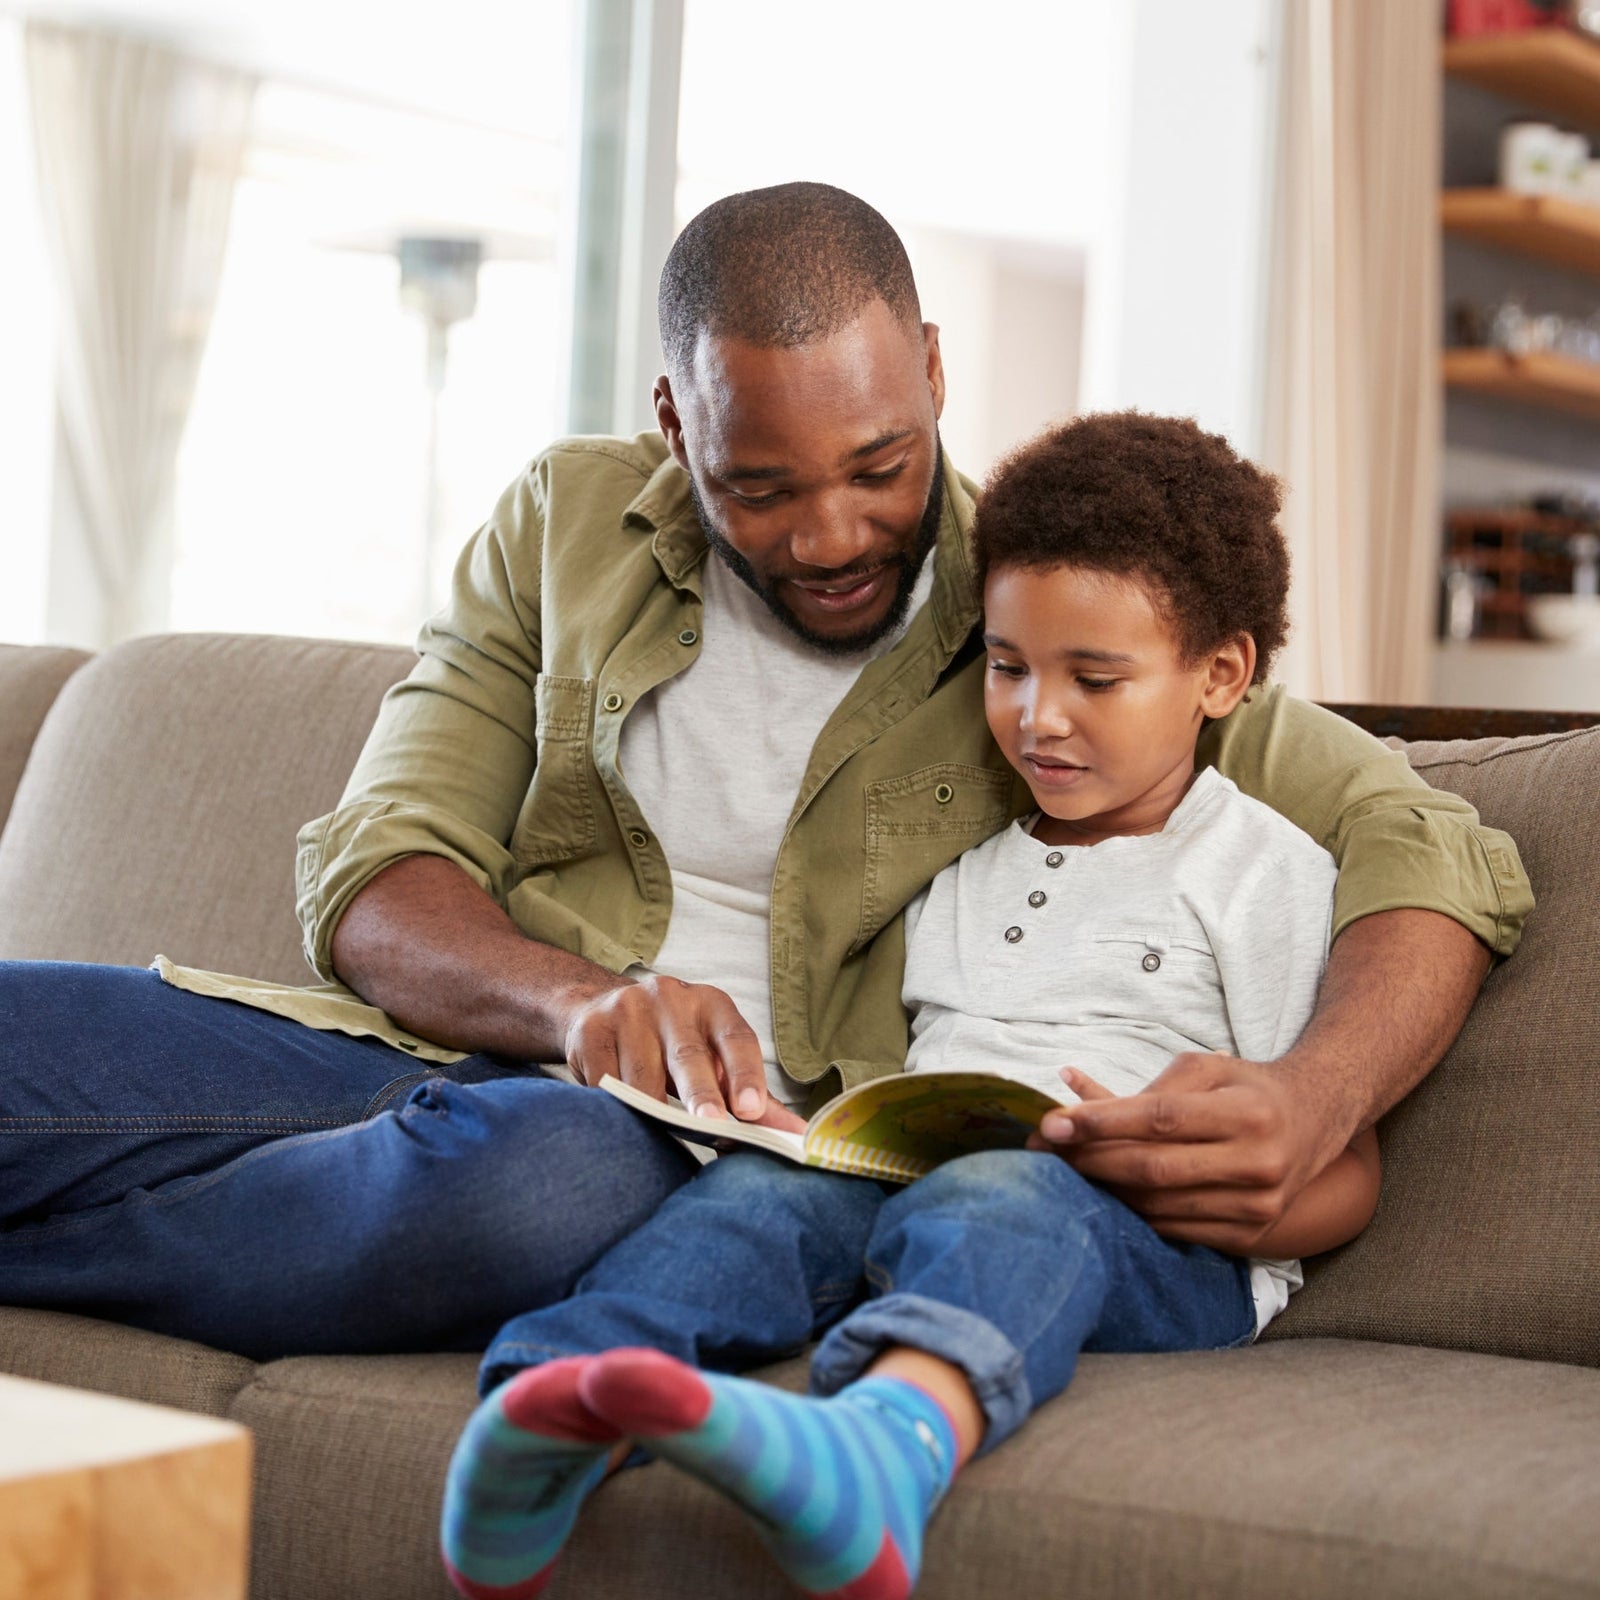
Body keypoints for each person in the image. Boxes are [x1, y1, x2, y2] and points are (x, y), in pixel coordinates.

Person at [0, 185, 1528, 1374]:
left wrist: (1313, 1101)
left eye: (881, 465)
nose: (834, 536)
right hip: (410, 1057)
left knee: (537, 1191)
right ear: (675, 420)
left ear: (933, 375)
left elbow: (1431, 841)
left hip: (645, 1154)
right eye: (761, 486)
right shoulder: (565, 525)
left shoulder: (1043, 618)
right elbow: (380, 873)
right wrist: (576, 1004)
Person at [435, 412, 1381, 1600]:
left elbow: (1349, 1174)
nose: (1039, 715)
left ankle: (889, 1440)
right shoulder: (959, 868)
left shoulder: (1262, 870)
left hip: (1154, 1244)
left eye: (1094, 679)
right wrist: (811, 1129)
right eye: (1007, 667)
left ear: (1221, 675)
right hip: (915, 1185)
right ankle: (555, 1403)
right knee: (760, 1192)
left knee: (1014, 1189)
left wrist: (1226, 1184)